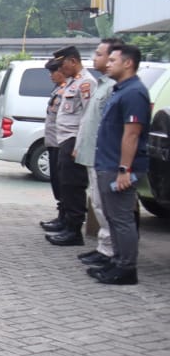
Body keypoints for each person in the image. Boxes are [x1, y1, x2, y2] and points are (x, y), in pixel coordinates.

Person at [88, 43, 150, 285]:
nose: (108, 63)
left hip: (118, 167)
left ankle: (127, 268)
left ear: (128, 63)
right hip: (107, 163)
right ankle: (117, 261)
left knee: (122, 218)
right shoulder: (120, 90)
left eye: (113, 60)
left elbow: (132, 134)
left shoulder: (134, 92)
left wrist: (125, 169)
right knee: (113, 217)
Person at [73, 38, 123, 268]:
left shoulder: (114, 88)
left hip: (104, 157)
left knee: (107, 207)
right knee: (99, 205)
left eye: (100, 54)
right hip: (92, 154)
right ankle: (104, 248)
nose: (95, 57)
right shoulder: (102, 84)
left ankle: (113, 252)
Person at [44, 46, 96, 248]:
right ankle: (67, 224)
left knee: (73, 186)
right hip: (64, 140)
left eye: (62, 63)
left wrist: (80, 145)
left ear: (73, 61)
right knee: (65, 184)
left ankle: (74, 231)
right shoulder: (73, 83)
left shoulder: (86, 83)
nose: (61, 68)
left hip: (74, 140)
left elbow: (88, 117)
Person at [39, 58, 67, 232]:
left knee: (64, 184)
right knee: (57, 182)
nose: (51, 76)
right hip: (53, 142)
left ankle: (66, 220)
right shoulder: (58, 90)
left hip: (61, 143)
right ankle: (61, 216)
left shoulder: (69, 90)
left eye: (53, 72)